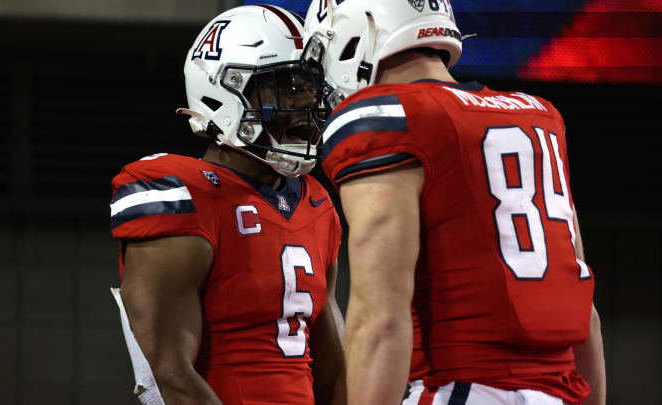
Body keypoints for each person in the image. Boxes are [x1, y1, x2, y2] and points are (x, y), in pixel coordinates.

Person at [302, 1, 606, 404]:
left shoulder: (386, 117)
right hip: (563, 391)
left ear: (357, 33)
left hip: (460, 388)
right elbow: (586, 310)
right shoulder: (539, 116)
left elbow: (380, 319)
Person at [108, 5, 345, 405]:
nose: (306, 102)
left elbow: (335, 374)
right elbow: (171, 375)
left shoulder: (316, 202)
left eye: (310, 86)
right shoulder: (180, 191)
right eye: (287, 88)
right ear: (223, 90)